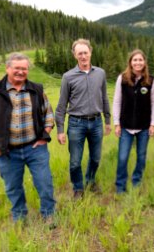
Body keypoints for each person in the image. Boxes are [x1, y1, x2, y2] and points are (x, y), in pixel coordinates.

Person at [0, 52, 56, 225]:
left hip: (36, 149)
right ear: (8, 68)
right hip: (7, 151)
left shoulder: (37, 89)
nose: (20, 72)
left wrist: (44, 136)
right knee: (13, 188)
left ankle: (49, 215)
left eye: (24, 68)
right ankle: (20, 218)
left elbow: (48, 114)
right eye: (17, 68)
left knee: (45, 183)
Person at [55, 38, 111, 199]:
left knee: (95, 158)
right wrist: (60, 130)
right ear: (75, 55)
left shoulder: (100, 73)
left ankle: (90, 181)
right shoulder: (68, 77)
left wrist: (107, 120)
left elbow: (104, 97)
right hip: (76, 124)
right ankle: (78, 188)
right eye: (80, 53)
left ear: (90, 53)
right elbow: (61, 105)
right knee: (75, 162)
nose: (83, 56)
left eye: (85, 52)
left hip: (96, 122)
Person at [113, 49, 154, 193]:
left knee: (141, 157)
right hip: (125, 126)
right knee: (122, 157)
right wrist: (116, 123)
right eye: (135, 60)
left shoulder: (151, 80)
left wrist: (153, 124)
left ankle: (136, 183)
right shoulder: (122, 79)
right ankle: (120, 187)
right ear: (130, 63)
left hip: (144, 127)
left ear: (144, 62)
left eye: (140, 60)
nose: (138, 62)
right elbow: (116, 102)